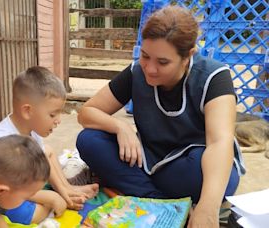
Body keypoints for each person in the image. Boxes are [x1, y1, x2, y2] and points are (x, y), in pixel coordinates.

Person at [76, 5, 245, 228]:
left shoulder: (214, 77)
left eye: (163, 62)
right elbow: (87, 112)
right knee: (89, 140)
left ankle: (145, 191)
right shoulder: (137, 71)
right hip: (147, 158)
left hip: (189, 164)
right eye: (146, 56)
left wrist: (208, 207)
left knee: (217, 179)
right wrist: (120, 127)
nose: (150, 68)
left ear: (188, 56)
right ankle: (161, 201)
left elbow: (219, 142)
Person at [0, 66, 99, 224]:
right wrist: (51, 198)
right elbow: (6, 189)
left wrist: (61, 191)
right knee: (37, 214)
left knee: (47, 151)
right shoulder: (1, 141)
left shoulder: (31, 132)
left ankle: (68, 189)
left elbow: (41, 161)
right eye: (52, 114)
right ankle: (62, 195)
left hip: (20, 185)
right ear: (28, 111)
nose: (58, 120)